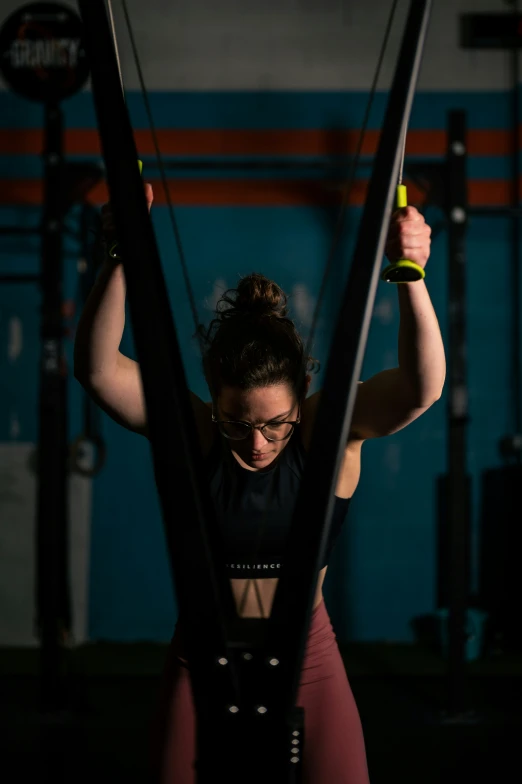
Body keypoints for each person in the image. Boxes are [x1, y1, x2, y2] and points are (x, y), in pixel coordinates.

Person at [74, 182, 445, 783]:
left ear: (301, 397)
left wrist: (413, 275)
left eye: (276, 425)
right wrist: (120, 252)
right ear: (213, 399)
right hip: (202, 655)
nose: (256, 444)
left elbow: (419, 388)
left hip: (307, 658)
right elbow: (97, 369)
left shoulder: (327, 431)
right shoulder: (193, 431)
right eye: (237, 424)